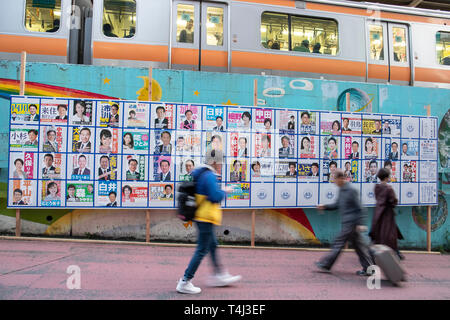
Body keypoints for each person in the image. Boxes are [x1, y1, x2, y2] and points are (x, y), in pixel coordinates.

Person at [176, 150, 241, 294]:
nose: (220, 166)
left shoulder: (199, 172)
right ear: (214, 162)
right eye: (219, 163)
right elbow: (214, 196)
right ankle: (185, 281)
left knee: (212, 245)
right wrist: (225, 190)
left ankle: (219, 274)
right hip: (205, 217)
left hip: (201, 216)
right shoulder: (209, 175)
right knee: (202, 250)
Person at [315, 169, 373, 275]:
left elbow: (360, 208)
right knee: (359, 247)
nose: (334, 182)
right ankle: (369, 269)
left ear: (341, 178)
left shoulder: (351, 190)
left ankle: (326, 264)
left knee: (339, 242)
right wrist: (324, 207)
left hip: (352, 223)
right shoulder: (341, 190)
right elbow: (336, 205)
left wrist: (361, 223)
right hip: (347, 222)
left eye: (335, 179)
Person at [369, 168, 405, 260]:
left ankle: (380, 252)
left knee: (379, 233)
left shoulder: (377, 187)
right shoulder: (389, 189)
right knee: (390, 235)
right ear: (386, 177)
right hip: (388, 214)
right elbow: (393, 202)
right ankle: (394, 253)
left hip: (378, 213)